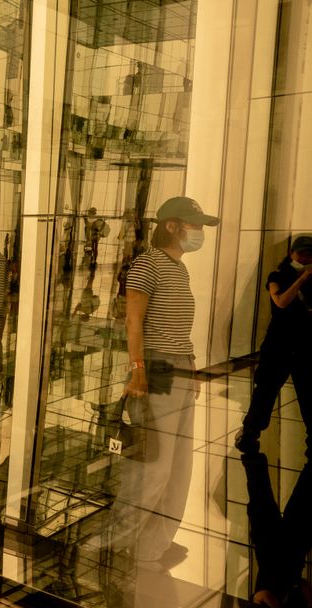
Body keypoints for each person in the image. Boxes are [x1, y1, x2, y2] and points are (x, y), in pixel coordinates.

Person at [112, 196, 219, 566]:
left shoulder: (180, 269)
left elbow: (178, 328)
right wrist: (138, 369)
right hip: (157, 369)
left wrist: (191, 369)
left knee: (178, 465)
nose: (199, 232)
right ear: (172, 226)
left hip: (180, 369)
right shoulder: (147, 264)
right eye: (195, 224)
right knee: (153, 466)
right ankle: (118, 545)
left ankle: (151, 546)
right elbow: (133, 321)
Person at [235, 235, 312, 608]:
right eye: (301, 252)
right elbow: (280, 302)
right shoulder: (279, 273)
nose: (304, 257)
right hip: (279, 347)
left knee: (268, 513)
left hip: (306, 351)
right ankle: (250, 433)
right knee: (264, 396)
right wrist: (304, 276)